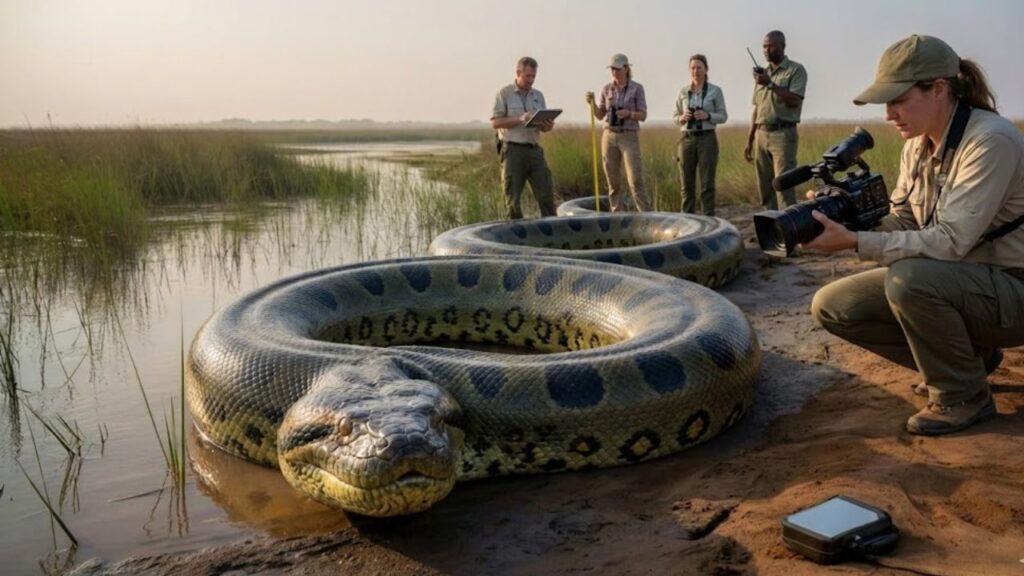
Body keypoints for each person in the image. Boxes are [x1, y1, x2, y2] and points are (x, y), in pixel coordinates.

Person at [806, 35, 1024, 436]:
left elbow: (949, 241)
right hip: (961, 281)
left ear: (939, 89)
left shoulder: (989, 140)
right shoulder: (917, 146)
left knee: (910, 280)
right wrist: (843, 221)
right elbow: (904, 222)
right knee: (833, 304)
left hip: (1012, 285)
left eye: (898, 100)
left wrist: (856, 243)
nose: (889, 114)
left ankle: (962, 395)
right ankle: (966, 359)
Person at [743, 30, 808, 210]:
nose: (766, 50)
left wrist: (770, 84)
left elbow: (795, 100)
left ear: (782, 46)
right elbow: (757, 108)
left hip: (783, 134)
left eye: (771, 46)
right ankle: (771, 230)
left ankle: (791, 232)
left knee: (784, 187)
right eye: (764, 46)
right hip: (761, 135)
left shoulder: (795, 70)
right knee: (765, 189)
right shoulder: (762, 75)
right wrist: (750, 140)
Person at [491, 56, 557, 220]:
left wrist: (547, 125)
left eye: (533, 76)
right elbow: (495, 123)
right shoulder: (504, 93)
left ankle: (553, 235)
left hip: (534, 150)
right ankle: (516, 239)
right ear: (518, 73)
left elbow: (544, 126)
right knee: (512, 200)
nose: (531, 80)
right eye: (527, 76)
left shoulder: (538, 96)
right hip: (513, 151)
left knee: (546, 195)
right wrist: (520, 119)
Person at [585, 54, 652, 213]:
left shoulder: (637, 88)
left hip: (628, 135)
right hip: (609, 135)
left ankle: (647, 216)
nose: (614, 72)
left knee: (635, 180)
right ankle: (617, 217)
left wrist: (628, 113)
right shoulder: (607, 89)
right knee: (613, 182)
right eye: (612, 69)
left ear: (626, 68)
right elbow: (600, 115)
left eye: (617, 68)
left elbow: (643, 115)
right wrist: (591, 103)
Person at [672, 54, 728, 216]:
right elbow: (675, 116)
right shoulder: (683, 91)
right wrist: (682, 118)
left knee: (707, 185)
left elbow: (723, 116)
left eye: (699, 67)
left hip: (707, 138)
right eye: (692, 68)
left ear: (706, 69)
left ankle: (709, 221)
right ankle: (687, 220)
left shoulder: (715, 91)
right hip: (686, 138)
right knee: (686, 186)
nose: (695, 71)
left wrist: (708, 115)